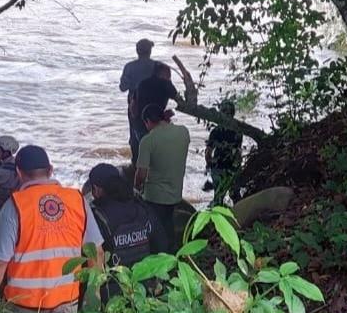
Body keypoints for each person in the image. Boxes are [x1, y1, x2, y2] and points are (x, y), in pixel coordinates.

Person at [0, 145, 105, 313]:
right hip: (66, 300)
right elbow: (96, 251)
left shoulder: (15, 206)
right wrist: (94, 295)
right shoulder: (77, 200)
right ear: (50, 170)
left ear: (19, 172)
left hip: (23, 304)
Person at [88, 163, 170, 302]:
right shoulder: (142, 207)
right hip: (144, 289)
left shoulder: (96, 215)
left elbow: (93, 257)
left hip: (112, 295)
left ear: (96, 189)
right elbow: (162, 245)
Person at [135, 105, 190, 251]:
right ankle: (172, 251)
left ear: (147, 121)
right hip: (175, 193)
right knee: (167, 223)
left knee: (157, 228)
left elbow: (141, 174)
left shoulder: (148, 140)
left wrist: (136, 188)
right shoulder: (183, 132)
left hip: (155, 196)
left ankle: (161, 256)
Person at [130, 62, 180, 162]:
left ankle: (139, 172)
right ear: (161, 73)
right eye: (168, 73)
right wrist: (169, 113)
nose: (170, 76)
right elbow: (181, 102)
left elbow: (133, 105)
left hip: (140, 124)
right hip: (155, 124)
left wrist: (135, 119)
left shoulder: (142, 83)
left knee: (144, 154)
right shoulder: (166, 84)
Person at [119, 39, 157, 164]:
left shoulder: (129, 67)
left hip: (134, 106)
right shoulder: (157, 67)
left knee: (135, 136)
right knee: (153, 136)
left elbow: (123, 87)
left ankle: (136, 165)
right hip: (154, 106)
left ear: (137, 51)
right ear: (150, 51)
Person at [203, 101, 244, 204]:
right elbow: (238, 152)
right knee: (235, 195)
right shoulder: (238, 132)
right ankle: (239, 215)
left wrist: (209, 164)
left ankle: (216, 216)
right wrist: (236, 167)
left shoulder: (215, 131)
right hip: (232, 167)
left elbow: (208, 152)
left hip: (218, 167)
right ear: (233, 113)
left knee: (218, 197)